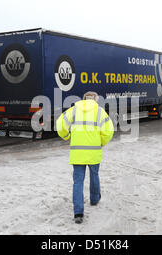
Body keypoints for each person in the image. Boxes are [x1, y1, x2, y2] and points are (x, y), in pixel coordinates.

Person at [56, 91, 114, 224]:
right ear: (95, 100)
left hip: (77, 153)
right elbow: (108, 131)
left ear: (83, 99)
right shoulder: (99, 112)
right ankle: (94, 199)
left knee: (78, 181)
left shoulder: (74, 110)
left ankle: (78, 213)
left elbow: (60, 124)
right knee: (94, 175)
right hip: (94, 152)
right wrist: (101, 142)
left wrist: (66, 136)